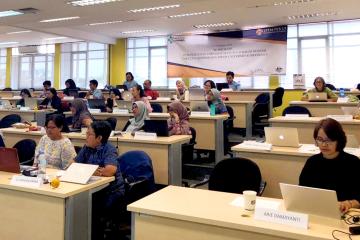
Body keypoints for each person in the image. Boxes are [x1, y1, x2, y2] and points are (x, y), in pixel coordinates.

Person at [74, 121, 125, 239]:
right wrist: (94, 170)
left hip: (111, 192)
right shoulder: (87, 147)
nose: (86, 137)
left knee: (90, 208)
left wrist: (86, 169)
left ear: (99, 138)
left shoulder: (109, 149)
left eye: (89, 134)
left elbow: (109, 171)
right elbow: (73, 165)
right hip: (92, 188)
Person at [299, 118, 360, 213]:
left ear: (339, 140)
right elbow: (302, 190)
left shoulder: (353, 163)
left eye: (329, 140)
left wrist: (348, 204)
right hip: (316, 210)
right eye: (320, 139)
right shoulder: (312, 162)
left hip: (345, 213)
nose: (324, 144)